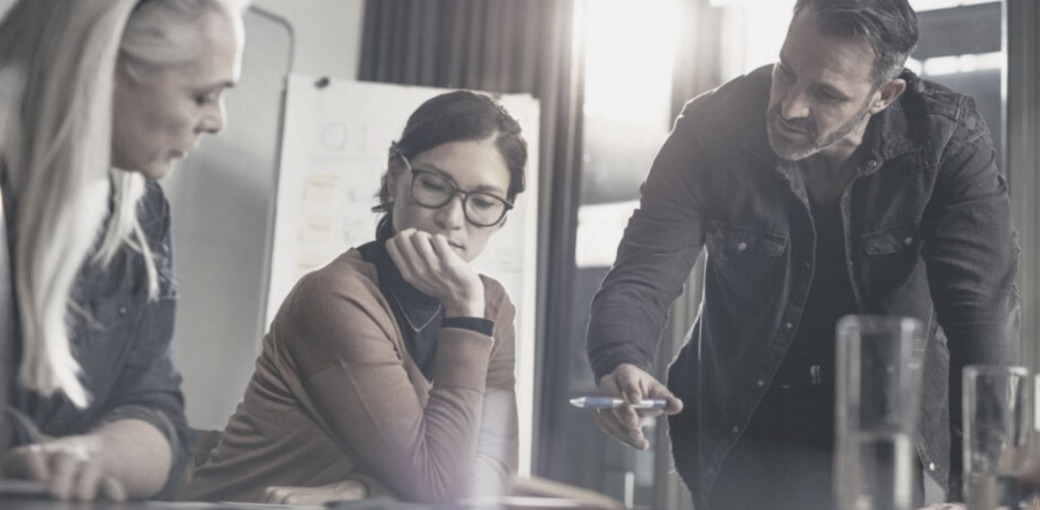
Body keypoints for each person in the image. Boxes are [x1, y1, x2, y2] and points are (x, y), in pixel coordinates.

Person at [585, 1, 1018, 509]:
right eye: (785, 72)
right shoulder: (710, 128)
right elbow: (642, 272)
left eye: (826, 94)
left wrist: (986, 490)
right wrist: (621, 357)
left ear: (883, 96)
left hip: (882, 426)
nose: (790, 107)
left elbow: (980, 315)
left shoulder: (945, 140)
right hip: (739, 424)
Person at [180, 90, 526, 506]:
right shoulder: (336, 297)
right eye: (434, 185)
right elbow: (439, 491)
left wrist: (364, 489)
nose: (452, 219)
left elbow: (495, 474)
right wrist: (465, 315)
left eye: (483, 202)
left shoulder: (493, 306)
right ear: (395, 176)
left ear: (502, 217)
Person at [0, 0, 244, 501]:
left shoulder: (141, 213)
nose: (217, 121)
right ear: (105, 69)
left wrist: (93, 455)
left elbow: (159, 415)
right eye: (202, 95)